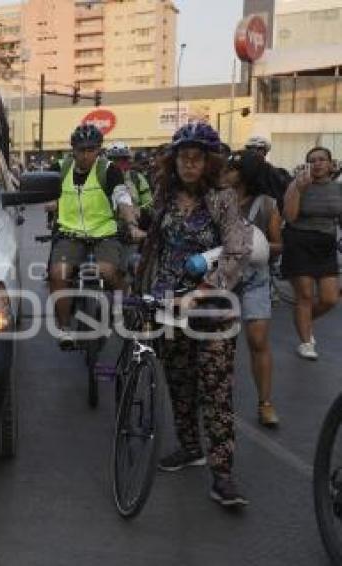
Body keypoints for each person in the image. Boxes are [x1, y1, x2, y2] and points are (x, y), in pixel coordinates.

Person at [136, 122, 253, 507]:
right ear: (174, 161)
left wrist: (203, 292)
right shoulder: (164, 196)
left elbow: (237, 252)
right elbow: (152, 239)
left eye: (197, 158)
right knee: (179, 382)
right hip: (169, 304)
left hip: (214, 307)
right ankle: (190, 448)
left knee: (216, 391)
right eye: (183, 157)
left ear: (209, 161)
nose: (189, 164)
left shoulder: (223, 199)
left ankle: (223, 475)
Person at [47, 124, 143, 347]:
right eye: (81, 150)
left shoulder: (108, 169)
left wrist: (131, 224)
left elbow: (122, 199)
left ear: (99, 150)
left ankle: (122, 309)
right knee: (57, 273)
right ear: (73, 150)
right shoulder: (59, 168)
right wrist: (49, 202)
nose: (86, 155)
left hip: (104, 233)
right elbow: (46, 191)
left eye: (92, 150)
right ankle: (64, 328)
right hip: (69, 233)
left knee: (108, 271)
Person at [223, 150, 283, 426]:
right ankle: (216, 399)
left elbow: (278, 245)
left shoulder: (268, 205)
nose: (226, 171)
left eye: (233, 167)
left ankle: (265, 403)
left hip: (254, 280)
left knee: (258, 341)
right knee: (219, 345)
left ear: (245, 173)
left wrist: (256, 245)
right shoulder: (218, 200)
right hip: (222, 278)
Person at [281, 146, 342, 360]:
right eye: (312, 160)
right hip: (299, 242)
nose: (317, 164)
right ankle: (306, 343)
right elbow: (289, 215)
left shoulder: (338, 188)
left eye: (322, 160)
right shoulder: (296, 184)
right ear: (307, 164)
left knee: (330, 299)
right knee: (305, 295)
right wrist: (299, 188)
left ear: (330, 164)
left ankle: (302, 319)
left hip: (325, 244)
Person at [245, 135, 292, 211]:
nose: (254, 152)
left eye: (259, 149)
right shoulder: (241, 170)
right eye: (250, 148)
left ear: (265, 152)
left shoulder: (277, 172)